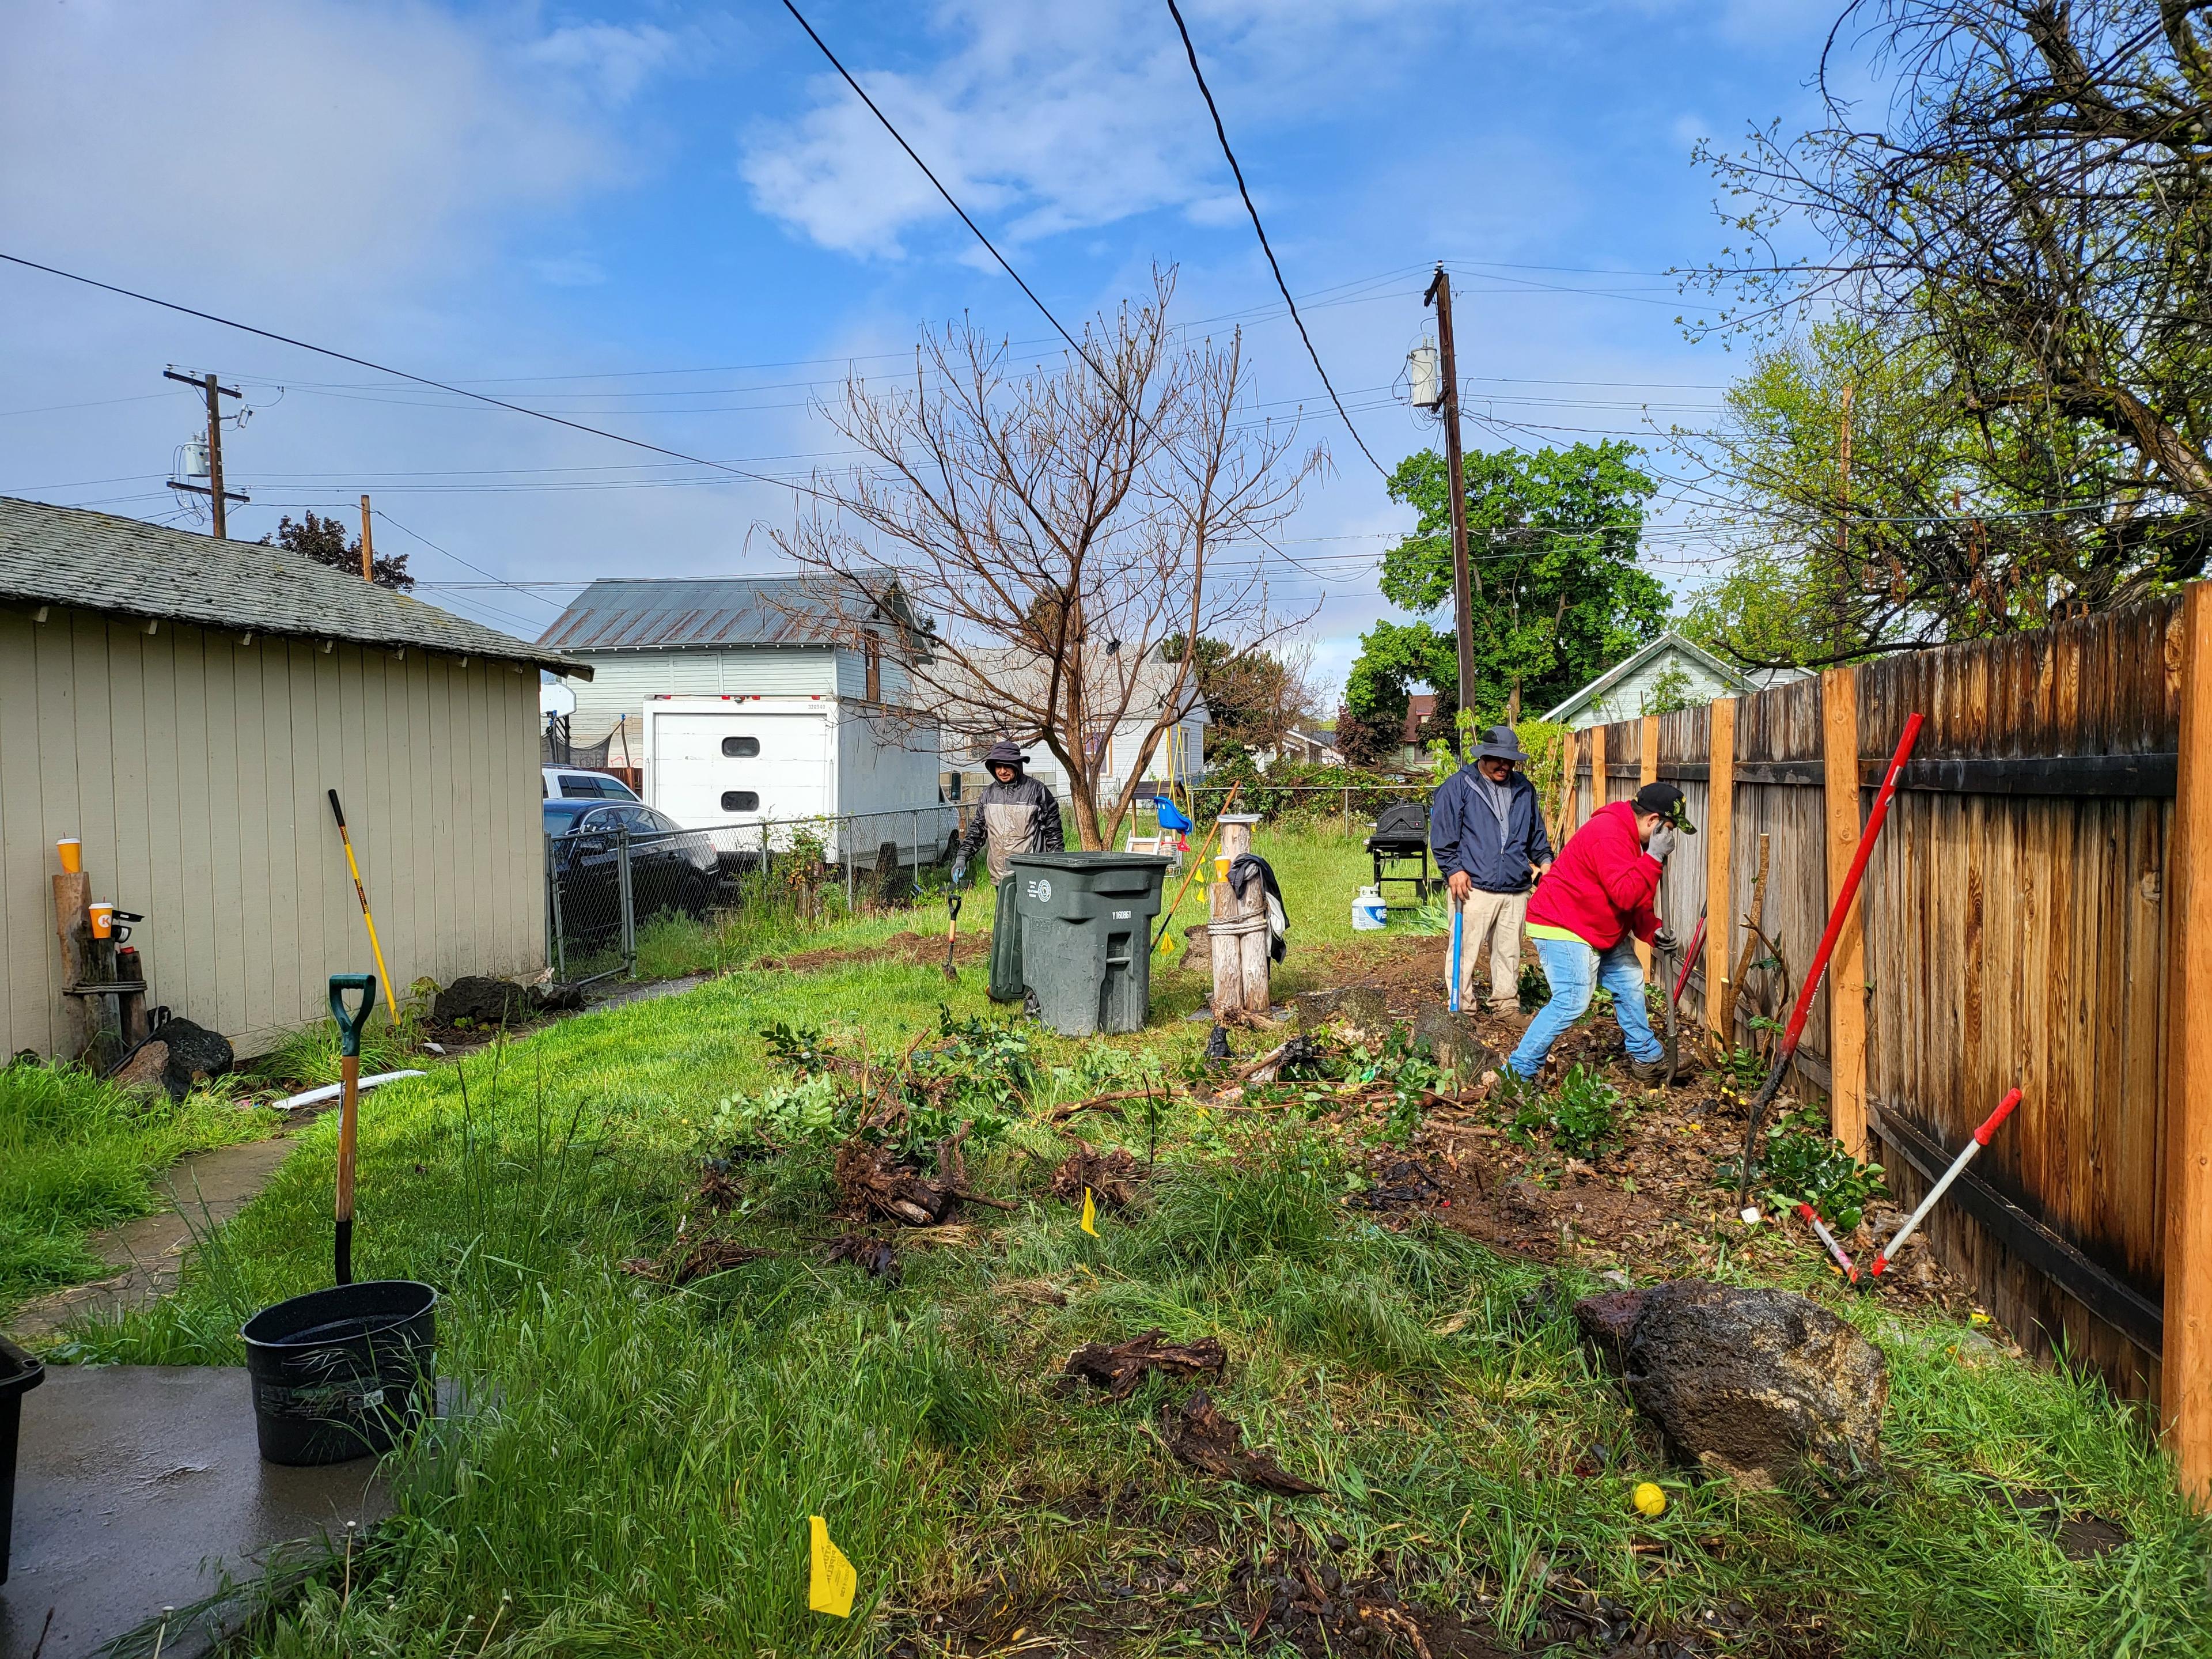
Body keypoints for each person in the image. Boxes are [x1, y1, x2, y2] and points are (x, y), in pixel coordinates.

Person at [1508, 779, 1686, 1084]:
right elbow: (1626, 895)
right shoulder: (1609, 834)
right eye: (1669, 828)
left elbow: (1636, 901)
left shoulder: (1635, 841)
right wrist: (1654, 859)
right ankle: (1516, 1074)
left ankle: (1646, 1057)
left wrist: (1652, 932)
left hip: (1597, 926)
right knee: (1572, 1000)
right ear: (1653, 821)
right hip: (1563, 923)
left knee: (1630, 981)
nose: (1670, 838)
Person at [1429, 725, 1553, 1016]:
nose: (1505, 766)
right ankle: (1462, 1009)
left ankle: (1506, 1006)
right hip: (1473, 887)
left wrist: (1545, 861)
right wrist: (1453, 869)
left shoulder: (1524, 789)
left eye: (1510, 761)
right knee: (1464, 952)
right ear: (1483, 756)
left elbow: (1537, 836)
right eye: (1499, 760)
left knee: (1509, 954)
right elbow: (1443, 836)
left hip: (1515, 887)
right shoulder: (1458, 787)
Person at [952, 740, 1065, 1002]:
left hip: (1032, 876)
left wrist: (1056, 868)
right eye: (998, 767)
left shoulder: (1037, 792)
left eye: (1007, 766)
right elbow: (978, 832)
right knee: (1007, 932)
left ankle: (1036, 984)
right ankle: (1009, 981)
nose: (1003, 771)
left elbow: (1054, 835)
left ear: (1017, 765)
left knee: (1032, 932)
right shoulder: (988, 795)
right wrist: (962, 858)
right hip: (1001, 878)